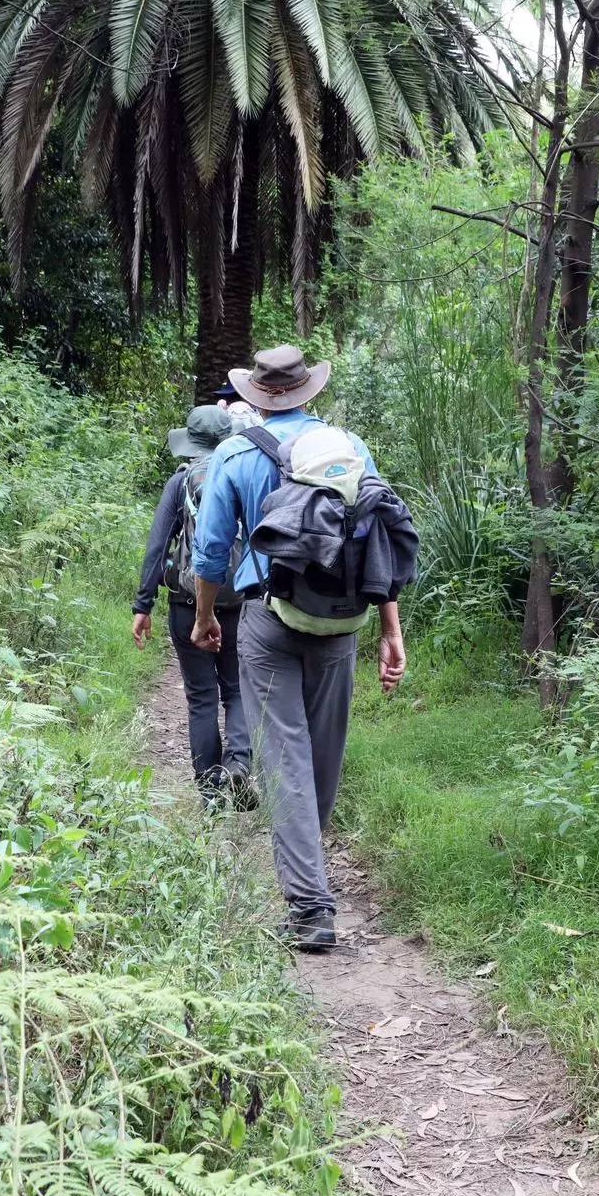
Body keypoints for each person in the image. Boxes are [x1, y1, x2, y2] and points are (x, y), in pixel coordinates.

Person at [189, 346, 409, 952]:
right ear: (307, 391)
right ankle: (310, 870)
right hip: (341, 619)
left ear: (257, 396)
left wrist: (206, 618)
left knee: (281, 758)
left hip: (267, 616)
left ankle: (311, 908)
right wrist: (391, 629)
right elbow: (377, 541)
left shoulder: (235, 453)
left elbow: (210, 553)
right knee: (322, 754)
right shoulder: (349, 449)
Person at [134, 405, 257, 808]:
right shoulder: (244, 476)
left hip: (188, 603)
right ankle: (238, 765)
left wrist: (143, 604)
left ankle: (210, 795)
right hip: (239, 602)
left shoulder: (180, 482)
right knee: (237, 691)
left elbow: (157, 549)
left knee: (202, 697)